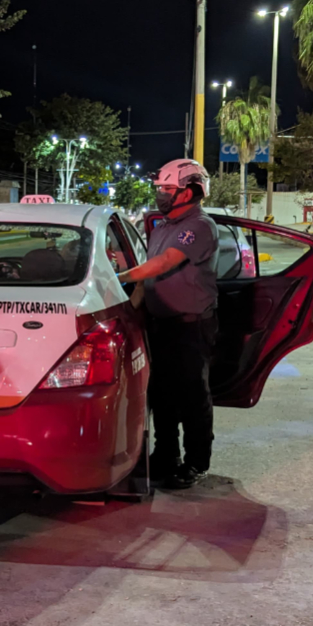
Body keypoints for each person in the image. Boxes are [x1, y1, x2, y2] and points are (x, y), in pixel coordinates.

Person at [116, 159, 219, 490]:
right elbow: (149, 276)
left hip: (190, 327)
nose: (160, 194)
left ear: (189, 191)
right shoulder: (161, 227)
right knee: (160, 395)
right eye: (160, 188)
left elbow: (163, 263)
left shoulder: (200, 226)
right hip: (160, 324)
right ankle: (166, 455)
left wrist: (118, 277)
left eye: (167, 189)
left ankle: (195, 462)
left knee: (192, 395)